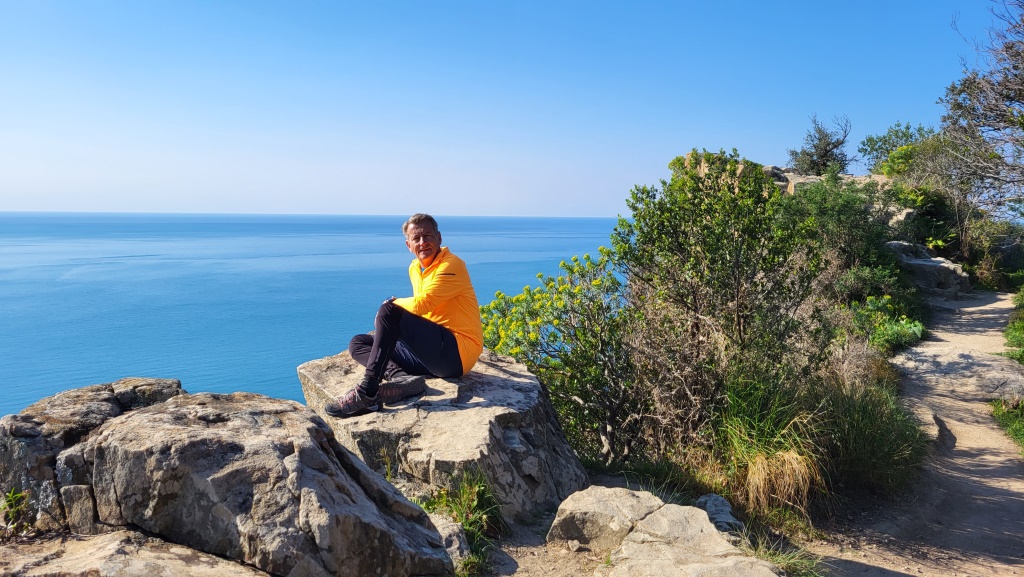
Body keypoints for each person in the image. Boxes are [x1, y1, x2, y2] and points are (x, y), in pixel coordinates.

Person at [325, 213, 483, 418]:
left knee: (390, 311)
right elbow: (422, 311)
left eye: (428, 236)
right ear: (409, 245)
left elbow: (424, 304)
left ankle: (367, 392)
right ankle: (402, 379)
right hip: (429, 354)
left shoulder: (452, 265)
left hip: (456, 355)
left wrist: (391, 304)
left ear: (439, 238)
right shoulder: (415, 268)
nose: (423, 242)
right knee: (359, 343)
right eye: (416, 238)